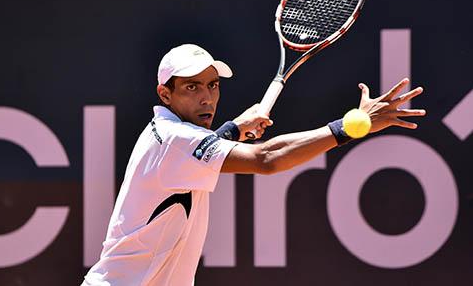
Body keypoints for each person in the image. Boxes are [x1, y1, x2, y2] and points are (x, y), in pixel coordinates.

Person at [81, 44, 426, 286]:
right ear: (165, 94)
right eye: (191, 87)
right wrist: (350, 126)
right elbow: (267, 159)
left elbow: (195, 154)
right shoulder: (176, 141)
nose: (206, 97)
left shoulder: (165, 135)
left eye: (212, 85)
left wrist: (232, 129)